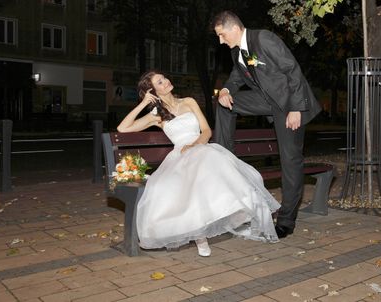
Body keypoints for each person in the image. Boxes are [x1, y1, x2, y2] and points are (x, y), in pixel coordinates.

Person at [117, 70, 280, 256]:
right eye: (160, 82)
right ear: (154, 92)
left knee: (211, 169)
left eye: (164, 78)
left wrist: (195, 145)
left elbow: (206, 131)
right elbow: (123, 128)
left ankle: (238, 213)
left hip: (201, 147)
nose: (166, 81)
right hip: (180, 155)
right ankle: (199, 236)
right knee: (171, 186)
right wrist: (144, 103)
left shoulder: (189, 102)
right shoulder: (156, 115)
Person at [212, 11, 322, 239]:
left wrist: (296, 108)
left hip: (289, 104)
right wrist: (225, 90)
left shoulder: (263, 39)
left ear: (234, 28)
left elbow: (293, 70)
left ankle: (286, 221)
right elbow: (236, 78)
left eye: (222, 35)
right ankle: (224, 155)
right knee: (224, 104)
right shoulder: (237, 52)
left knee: (290, 161)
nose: (221, 41)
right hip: (267, 100)